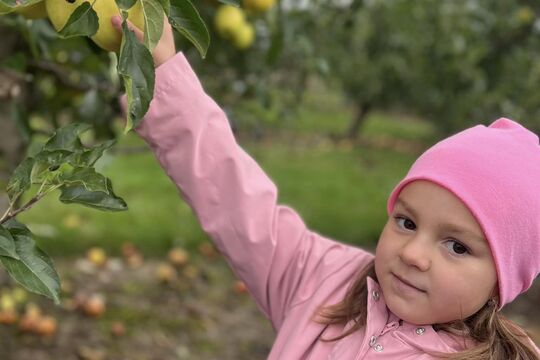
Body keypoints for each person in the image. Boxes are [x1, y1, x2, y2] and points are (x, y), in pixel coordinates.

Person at [112, 15, 540, 359]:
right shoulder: (324, 280)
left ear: (503, 281)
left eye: (457, 247)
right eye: (407, 222)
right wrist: (164, 77)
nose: (412, 254)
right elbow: (235, 199)